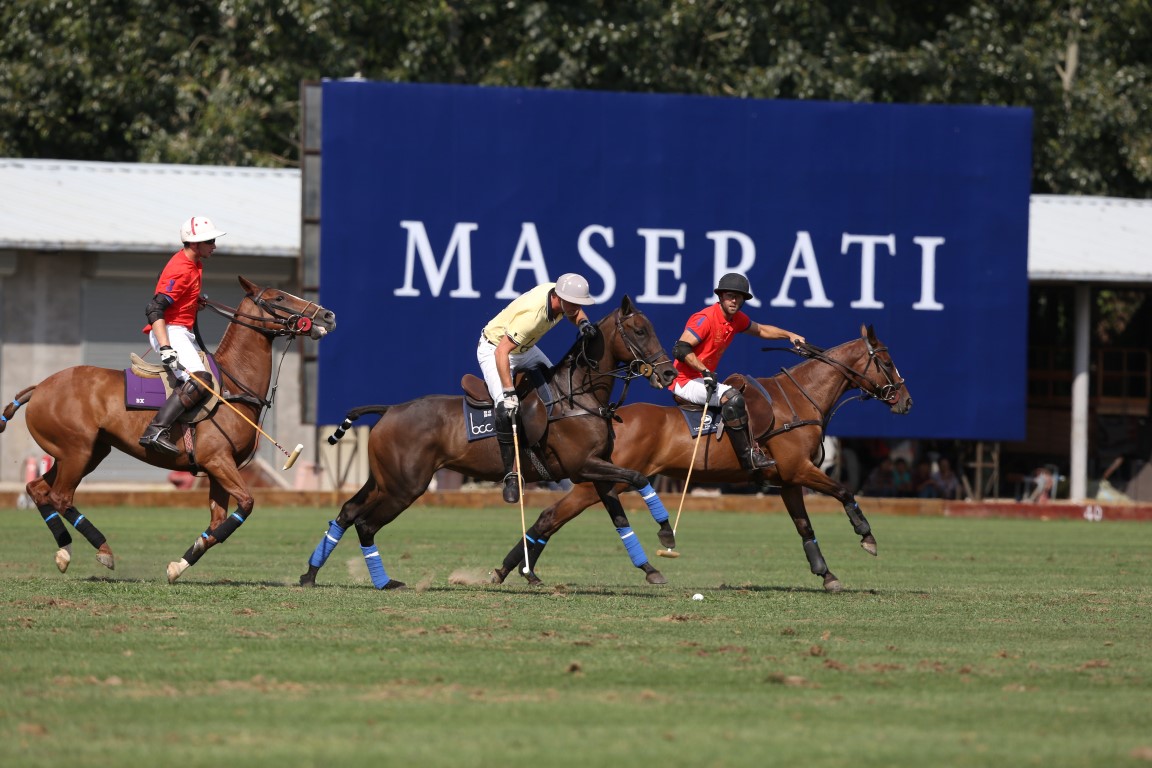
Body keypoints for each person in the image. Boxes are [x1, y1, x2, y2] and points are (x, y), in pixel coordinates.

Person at [477, 273, 598, 503]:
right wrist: (509, 391)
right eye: (574, 304)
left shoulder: (563, 298)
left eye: (579, 304)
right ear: (559, 298)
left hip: (524, 349)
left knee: (557, 386)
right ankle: (511, 475)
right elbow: (501, 352)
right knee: (506, 408)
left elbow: (575, 311)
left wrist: (584, 324)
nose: (577, 308)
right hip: (496, 349)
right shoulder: (533, 316)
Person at [669, 272, 805, 473]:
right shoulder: (705, 318)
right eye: (730, 295)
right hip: (684, 381)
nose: (734, 300)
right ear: (721, 296)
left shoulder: (736, 319)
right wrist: (703, 370)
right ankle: (747, 456)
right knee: (732, 397)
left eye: (739, 297)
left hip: (702, 379)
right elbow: (681, 348)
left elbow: (760, 330)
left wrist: (789, 335)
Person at [138, 215, 226, 456]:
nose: (214, 246)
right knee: (200, 380)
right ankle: (155, 431)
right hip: (170, 332)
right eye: (209, 242)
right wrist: (165, 347)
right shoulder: (181, 269)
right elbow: (155, 308)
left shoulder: (195, 263)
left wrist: (192, 303)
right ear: (194, 244)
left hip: (182, 331)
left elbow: (178, 299)